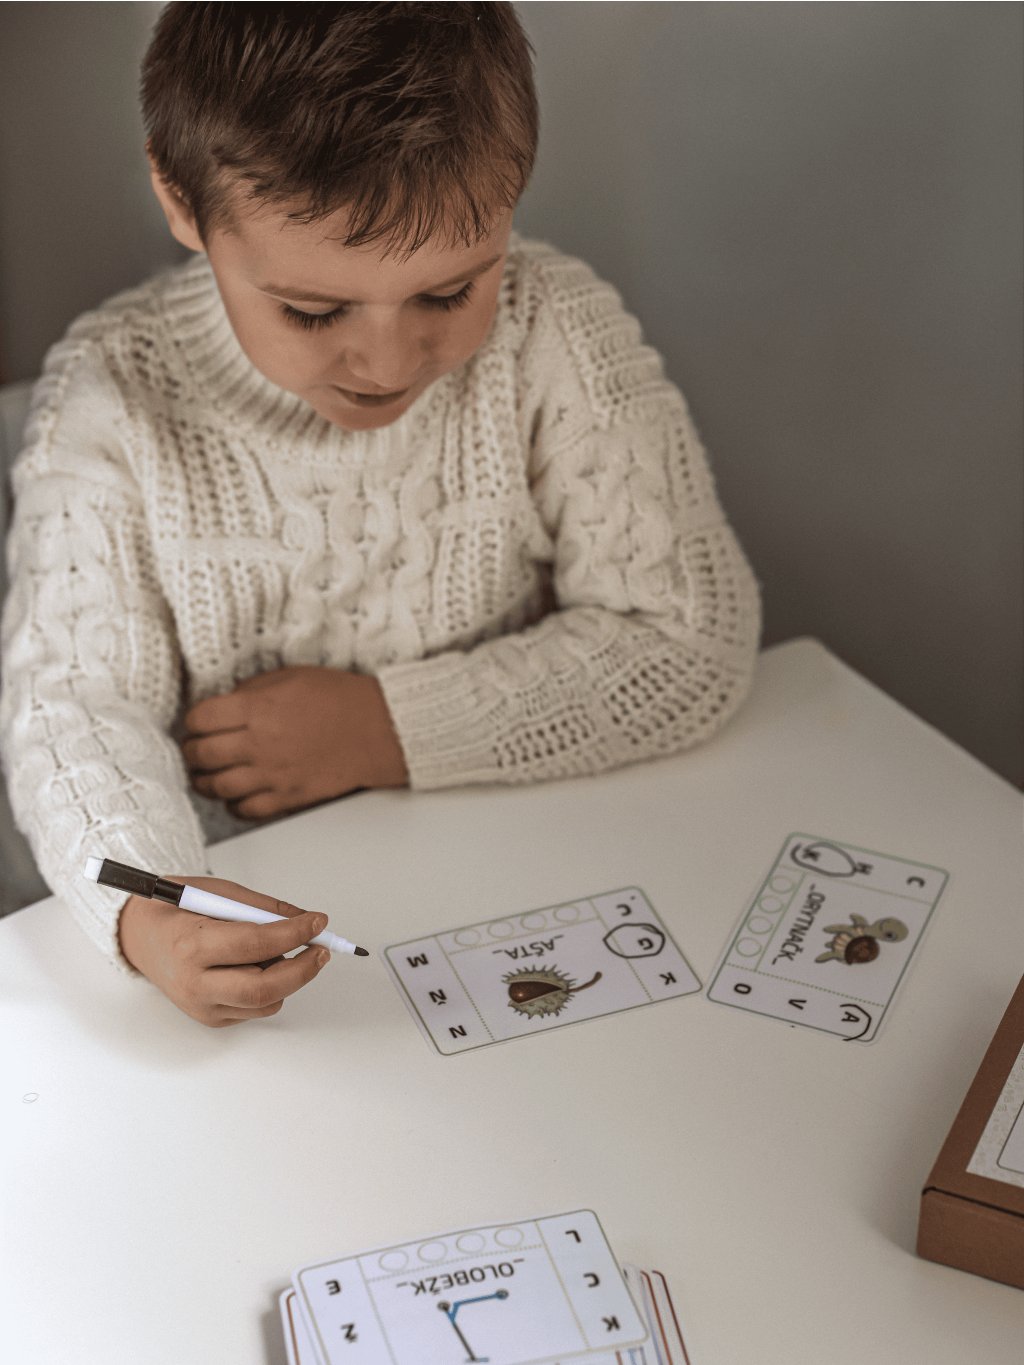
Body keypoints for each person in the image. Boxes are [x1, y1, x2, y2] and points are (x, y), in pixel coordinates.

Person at [0, 2, 760, 1026]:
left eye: (450, 293)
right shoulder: (111, 396)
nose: (390, 363)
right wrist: (152, 909)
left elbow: (690, 638)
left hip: (528, 866)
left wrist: (386, 729)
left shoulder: (555, 331)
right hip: (274, 921)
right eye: (313, 312)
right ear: (181, 200)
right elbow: (72, 713)